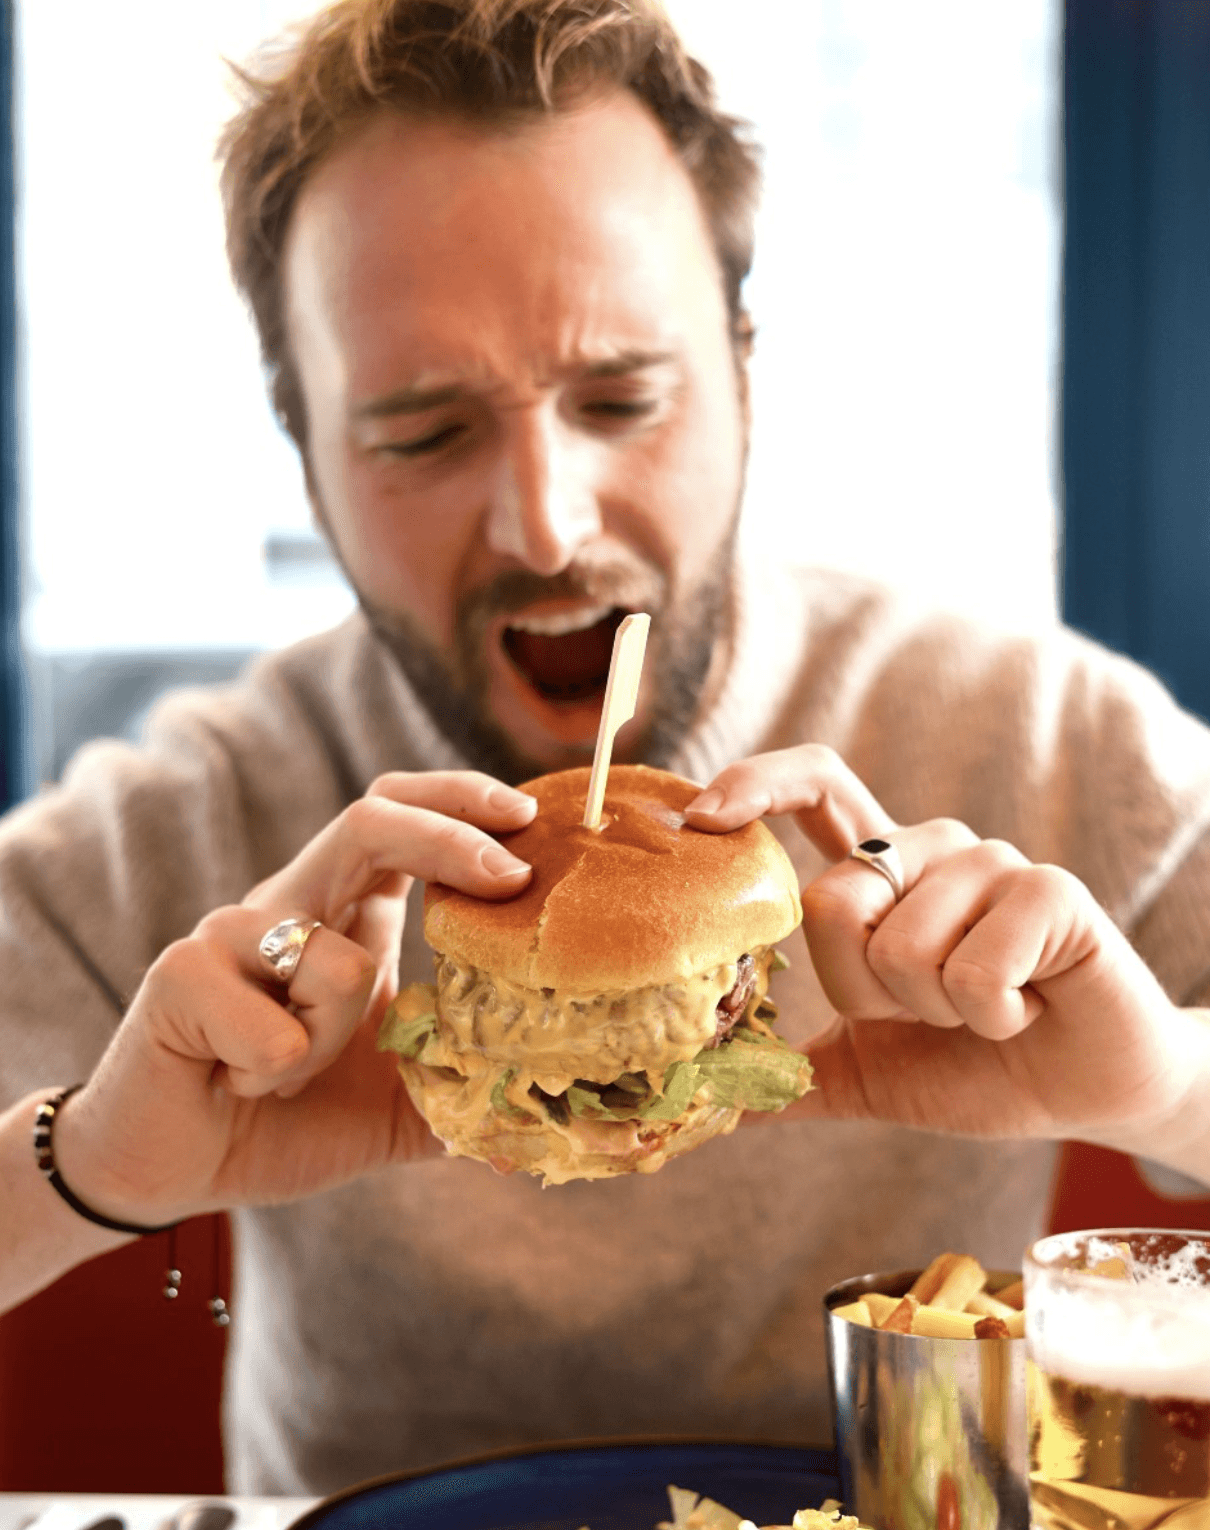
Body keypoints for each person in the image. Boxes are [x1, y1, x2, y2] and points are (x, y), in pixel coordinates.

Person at [2, 0, 1210, 1495]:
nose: (546, 523)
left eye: (622, 397)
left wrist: (1163, 1084)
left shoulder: (1040, 733)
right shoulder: (182, 823)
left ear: (745, 372)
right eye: (420, 431)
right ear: (304, 448)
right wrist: (90, 1166)